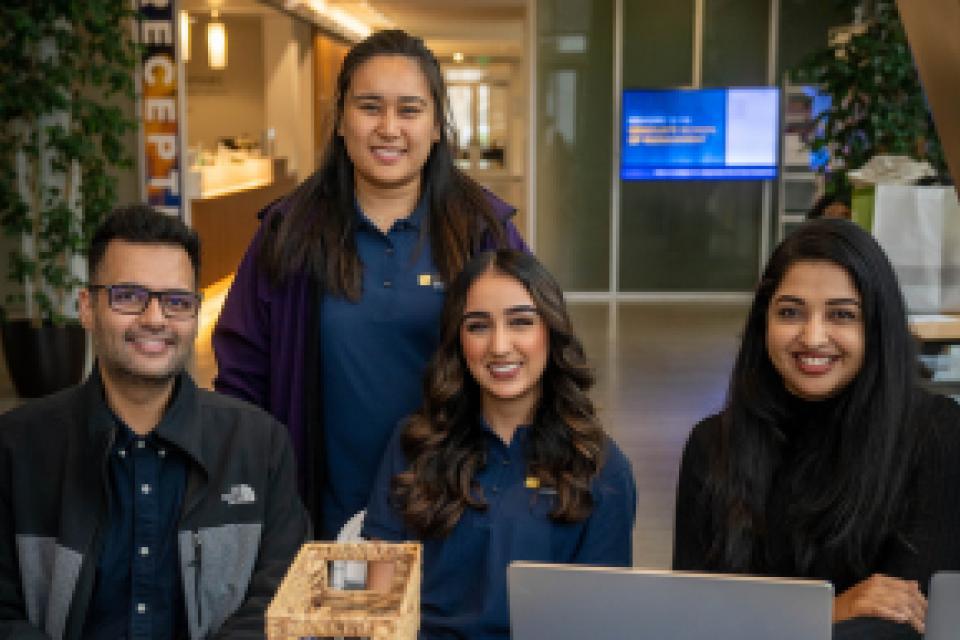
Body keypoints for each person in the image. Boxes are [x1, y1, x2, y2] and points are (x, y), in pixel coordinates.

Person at [212, 29, 528, 539]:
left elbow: (532, 355)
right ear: (340, 119)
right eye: (369, 107)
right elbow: (243, 377)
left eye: (409, 110)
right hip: (322, 514)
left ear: (436, 125)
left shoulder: (482, 231)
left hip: (463, 512)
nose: (388, 128)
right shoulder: (289, 233)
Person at [0, 205, 309, 640]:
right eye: (129, 296)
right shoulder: (17, 448)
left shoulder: (258, 445)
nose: (154, 319)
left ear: (194, 314)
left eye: (176, 302)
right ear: (87, 307)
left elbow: (281, 599)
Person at [673, 219, 960, 639]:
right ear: (763, 323)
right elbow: (689, 617)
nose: (813, 337)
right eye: (790, 312)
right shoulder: (712, 444)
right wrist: (832, 609)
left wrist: (757, 619)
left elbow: (908, 624)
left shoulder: (937, 434)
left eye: (842, 315)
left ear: (876, 327)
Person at [362, 250, 637, 639]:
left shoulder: (601, 467)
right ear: (458, 340)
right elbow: (382, 608)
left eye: (520, 322)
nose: (500, 346)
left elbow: (600, 621)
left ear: (551, 331)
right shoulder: (414, 445)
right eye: (478, 326)